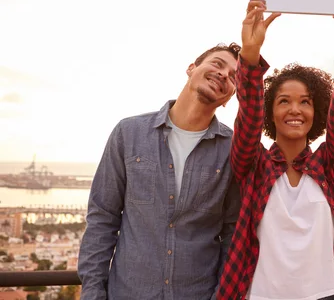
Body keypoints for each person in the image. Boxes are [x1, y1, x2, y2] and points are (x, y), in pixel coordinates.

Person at [216, 0, 334, 300]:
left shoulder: (329, 165)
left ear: (316, 112)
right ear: (269, 110)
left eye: (305, 102)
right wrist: (250, 52)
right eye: (284, 101)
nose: (295, 110)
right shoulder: (254, 164)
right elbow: (247, 118)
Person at [78, 43, 242, 300]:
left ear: (230, 96)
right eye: (217, 64)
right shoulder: (128, 133)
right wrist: (92, 292)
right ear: (191, 68)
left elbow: (232, 233)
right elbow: (103, 218)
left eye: (234, 76)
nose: (224, 74)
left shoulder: (233, 150)